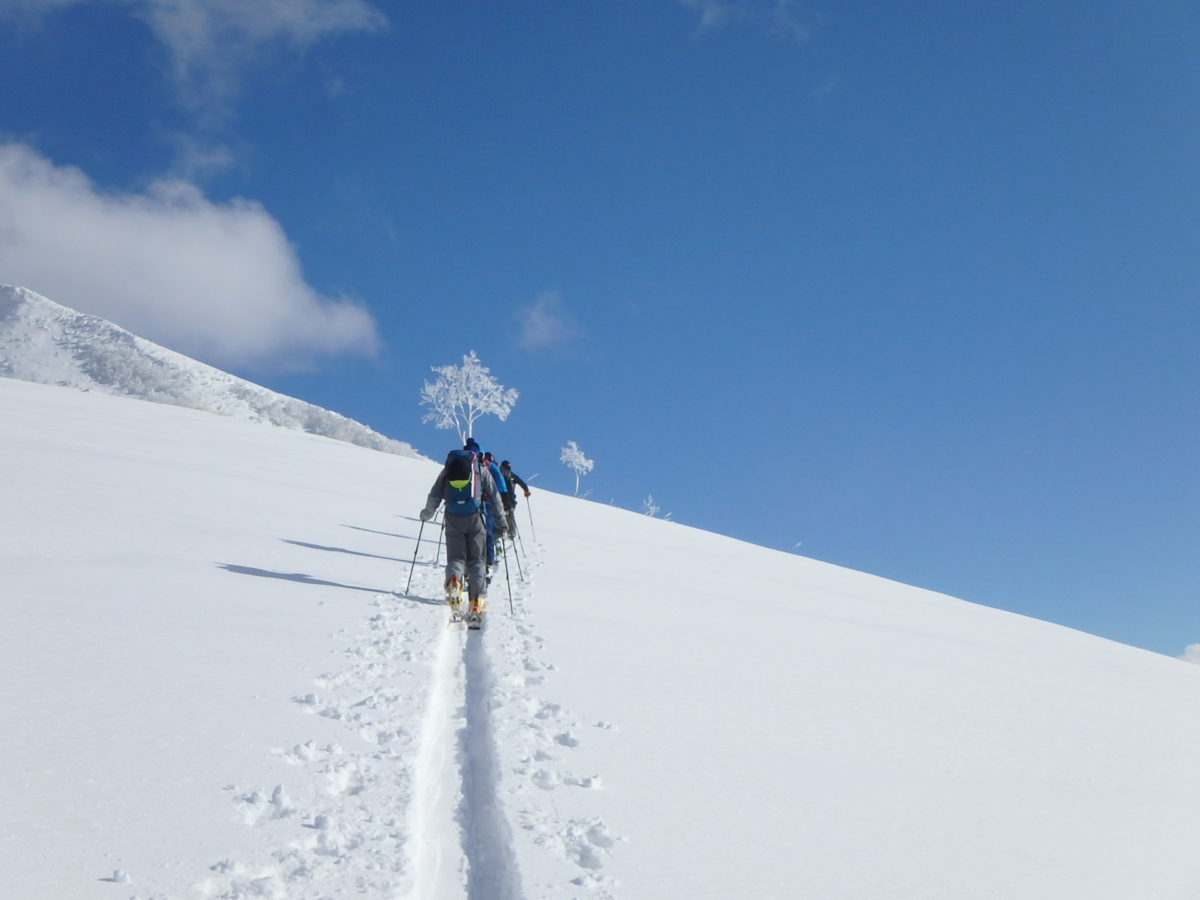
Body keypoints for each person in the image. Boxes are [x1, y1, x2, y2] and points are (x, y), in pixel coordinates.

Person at [419, 443, 504, 617]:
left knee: (456, 558)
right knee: (477, 560)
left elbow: (435, 494)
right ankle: (477, 601)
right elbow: (495, 496)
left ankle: (454, 582)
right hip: (475, 517)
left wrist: (427, 513)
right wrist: (501, 521)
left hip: (452, 517)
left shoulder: (447, 470)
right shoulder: (480, 470)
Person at [498, 459, 530, 534]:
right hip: (511, 500)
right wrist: (526, 491)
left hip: (500, 499)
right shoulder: (512, 475)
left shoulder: (499, 475)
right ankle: (511, 533)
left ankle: (502, 532)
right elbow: (523, 484)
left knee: (501, 515)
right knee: (510, 516)